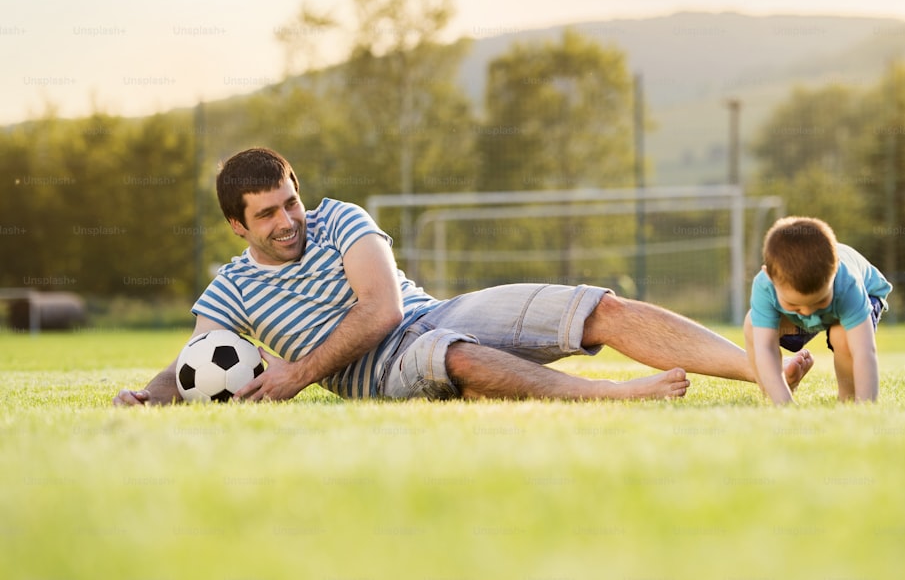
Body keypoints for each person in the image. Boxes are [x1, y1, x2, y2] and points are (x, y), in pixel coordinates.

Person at [114, 147, 813, 405]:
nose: (287, 219)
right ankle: (615, 397)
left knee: (595, 306)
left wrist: (296, 374)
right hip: (374, 373)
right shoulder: (230, 288)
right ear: (238, 227)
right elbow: (199, 360)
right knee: (456, 358)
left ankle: (759, 371)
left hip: (432, 311)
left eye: (290, 201)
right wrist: (149, 398)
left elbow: (383, 307)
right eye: (267, 215)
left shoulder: (341, 220)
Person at [743, 216, 892, 404]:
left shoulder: (848, 284)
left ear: (835, 272)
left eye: (819, 301)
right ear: (771, 278)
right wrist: (784, 404)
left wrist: (866, 404)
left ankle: (848, 398)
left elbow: (864, 351)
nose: (807, 312)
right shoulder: (765, 285)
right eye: (794, 305)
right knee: (752, 325)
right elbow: (764, 348)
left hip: (866, 293)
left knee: (842, 335)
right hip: (815, 307)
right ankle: (773, 392)